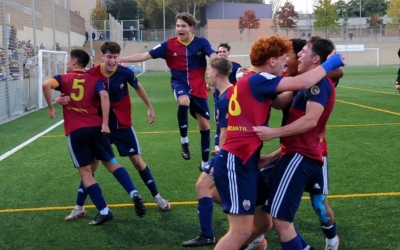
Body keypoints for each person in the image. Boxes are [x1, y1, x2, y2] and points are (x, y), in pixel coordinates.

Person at [212, 35, 345, 250]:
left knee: (266, 221)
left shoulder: (256, 79)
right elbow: (301, 84)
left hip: (251, 160)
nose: (288, 61)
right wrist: (331, 62)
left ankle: (252, 243)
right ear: (272, 61)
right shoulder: (258, 78)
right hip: (237, 161)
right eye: (285, 57)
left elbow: (286, 98)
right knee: (243, 229)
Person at [59, 42, 170, 222]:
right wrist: (62, 99)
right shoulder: (92, 73)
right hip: (100, 127)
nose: (112, 61)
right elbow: (79, 91)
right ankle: (79, 207)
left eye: (115, 57)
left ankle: (157, 197)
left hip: (123, 125)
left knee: (137, 161)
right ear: (102, 56)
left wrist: (149, 107)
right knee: (91, 167)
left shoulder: (125, 72)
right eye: (109, 57)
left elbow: (138, 87)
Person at [253, 37, 344, 250]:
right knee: (276, 213)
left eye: (302, 51)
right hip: (293, 152)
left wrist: (273, 132)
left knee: (304, 211)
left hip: (305, 155)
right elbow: (280, 101)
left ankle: (332, 240)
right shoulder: (299, 80)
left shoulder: (316, 82)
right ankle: (256, 237)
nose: (299, 55)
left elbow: (311, 121)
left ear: (316, 59)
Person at [42, 49, 145, 225]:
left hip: (77, 130)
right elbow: (104, 96)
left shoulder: (62, 78)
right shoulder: (94, 79)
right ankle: (133, 192)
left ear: (74, 61)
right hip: (97, 127)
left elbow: (45, 84)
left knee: (86, 172)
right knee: (112, 163)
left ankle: (104, 210)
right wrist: (105, 123)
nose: (66, 64)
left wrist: (52, 106)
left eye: (68, 61)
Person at [183, 57, 267, 250]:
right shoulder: (225, 94)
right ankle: (244, 220)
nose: (206, 75)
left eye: (208, 71)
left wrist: (220, 152)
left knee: (202, 186)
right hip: (229, 153)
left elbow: (228, 131)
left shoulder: (229, 96)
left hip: (230, 155)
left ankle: (211, 233)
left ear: (214, 72)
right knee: (206, 189)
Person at [117, 13, 217, 169]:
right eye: (178, 26)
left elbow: (213, 55)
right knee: (183, 101)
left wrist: (218, 61)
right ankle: (184, 141)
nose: (180, 29)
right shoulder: (168, 45)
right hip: (179, 84)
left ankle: (205, 164)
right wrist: (121, 59)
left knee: (205, 126)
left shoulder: (201, 43)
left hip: (199, 88)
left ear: (191, 28)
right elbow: (144, 55)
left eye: (183, 26)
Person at [211, 43, 242, 155]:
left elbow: (241, 78)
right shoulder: (216, 66)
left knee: (227, 123)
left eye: (224, 51)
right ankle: (218, 147)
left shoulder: (235, 66)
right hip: (218, 96)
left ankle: (222, 149)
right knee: (219, 122)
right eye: (219, 52)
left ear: (228, 53)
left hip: (230, 97)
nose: (221, 53)